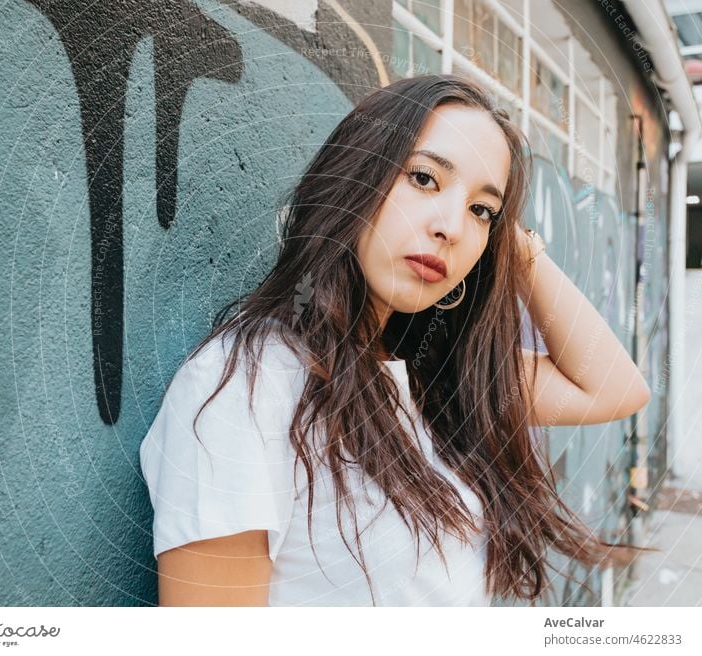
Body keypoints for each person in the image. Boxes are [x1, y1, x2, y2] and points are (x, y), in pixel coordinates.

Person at [139, 74, 653, 607]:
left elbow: (615, 388)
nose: (452, 227)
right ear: (356, 175)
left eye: (482, 210)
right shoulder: (249, 386)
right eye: (425, 178)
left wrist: (518, 249)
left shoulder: (430, 375)